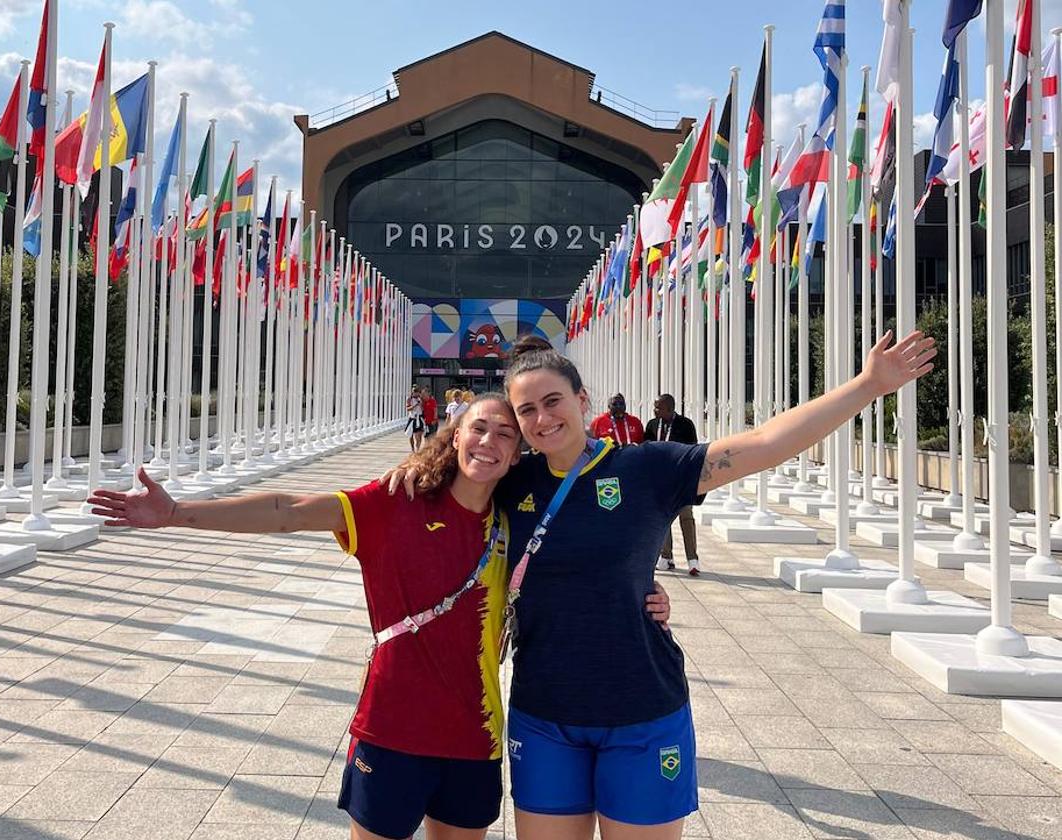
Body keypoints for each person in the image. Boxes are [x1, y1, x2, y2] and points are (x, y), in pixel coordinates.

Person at [389, 329, 934, 839]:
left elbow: (764, 443)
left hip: (642, 711)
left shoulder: (647, 468)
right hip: (545, 716)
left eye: (552, 400)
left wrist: (867, 386)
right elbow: (448, 481)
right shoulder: (513, 482)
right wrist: (414, 471)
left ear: (583, 400)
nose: (541, 418)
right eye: (526, 410)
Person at [87, 394, 675, 840]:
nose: (490, 442)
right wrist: (177, 513)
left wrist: (645, 595)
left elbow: (586, 562)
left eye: (505, 434)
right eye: (479, 428)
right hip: (392, 730)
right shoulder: (395, 501)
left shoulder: (512, 522)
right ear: (454, 434)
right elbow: (287, 510)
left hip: (475, 735)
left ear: (518, 453)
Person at [645, 395, 700, 575]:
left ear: (669, 408)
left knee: (686, 518)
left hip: (681, 481)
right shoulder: (652, 425)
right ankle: (666, 556)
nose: (655, 411)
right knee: (663, 519)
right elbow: (646, 449)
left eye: (658, 407)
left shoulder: (686, 425)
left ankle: (693, 559)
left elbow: (693, 453)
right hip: (659, 481)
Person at [405, 386, 425, 452]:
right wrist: (415, 405)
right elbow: (408, 408)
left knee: (419, 435)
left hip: (419, 417)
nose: (415, 394)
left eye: (417, 392)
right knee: (410, 435)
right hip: (412, 418)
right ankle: (412, 448)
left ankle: (418, 448)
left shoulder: (420, 399)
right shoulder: (409, 399)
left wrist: (421, 404)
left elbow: (423, 409)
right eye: (414, 392)